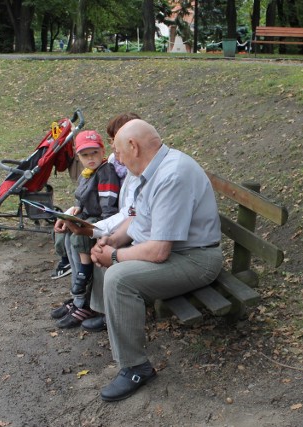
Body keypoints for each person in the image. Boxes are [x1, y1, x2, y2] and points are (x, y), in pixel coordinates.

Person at [88, 119, 223, 402]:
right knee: (106, 249)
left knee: (118, 276)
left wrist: (113, 256)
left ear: (133, 147)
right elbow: (137, 217)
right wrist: (113, 240)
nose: (118, 160)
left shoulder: (172, 175)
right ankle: (108, 318)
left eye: (119, 152)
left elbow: (159, 251)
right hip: (177, 253)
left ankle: (135, 368)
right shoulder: (151, 170)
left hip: (197, 260)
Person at [54, 113, 142, 332]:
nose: (113, 146)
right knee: (69, 235)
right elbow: (88, 195)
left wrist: (93, 229)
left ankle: (91, 305)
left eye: (116, 140)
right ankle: (79, 298)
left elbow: (128, 214)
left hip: (126, 228)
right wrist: (71, 213)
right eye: (111, 140)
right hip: (112, 221)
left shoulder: (137, 170)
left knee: (85, 241)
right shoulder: (114, 160)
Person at [51, 130, 121, 328]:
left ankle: (83, 277)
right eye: (85, 155)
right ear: (78, 156)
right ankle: (75, 287)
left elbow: (108, 205)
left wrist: (103, 232)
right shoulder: (86, 173)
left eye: (94, 153)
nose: (90, 158)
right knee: (65, 232)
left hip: (101, 221)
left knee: (78, 238)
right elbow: (82, 199)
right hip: (88, 215)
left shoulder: (105, 171)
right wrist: (73, 212)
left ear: (102, 151)